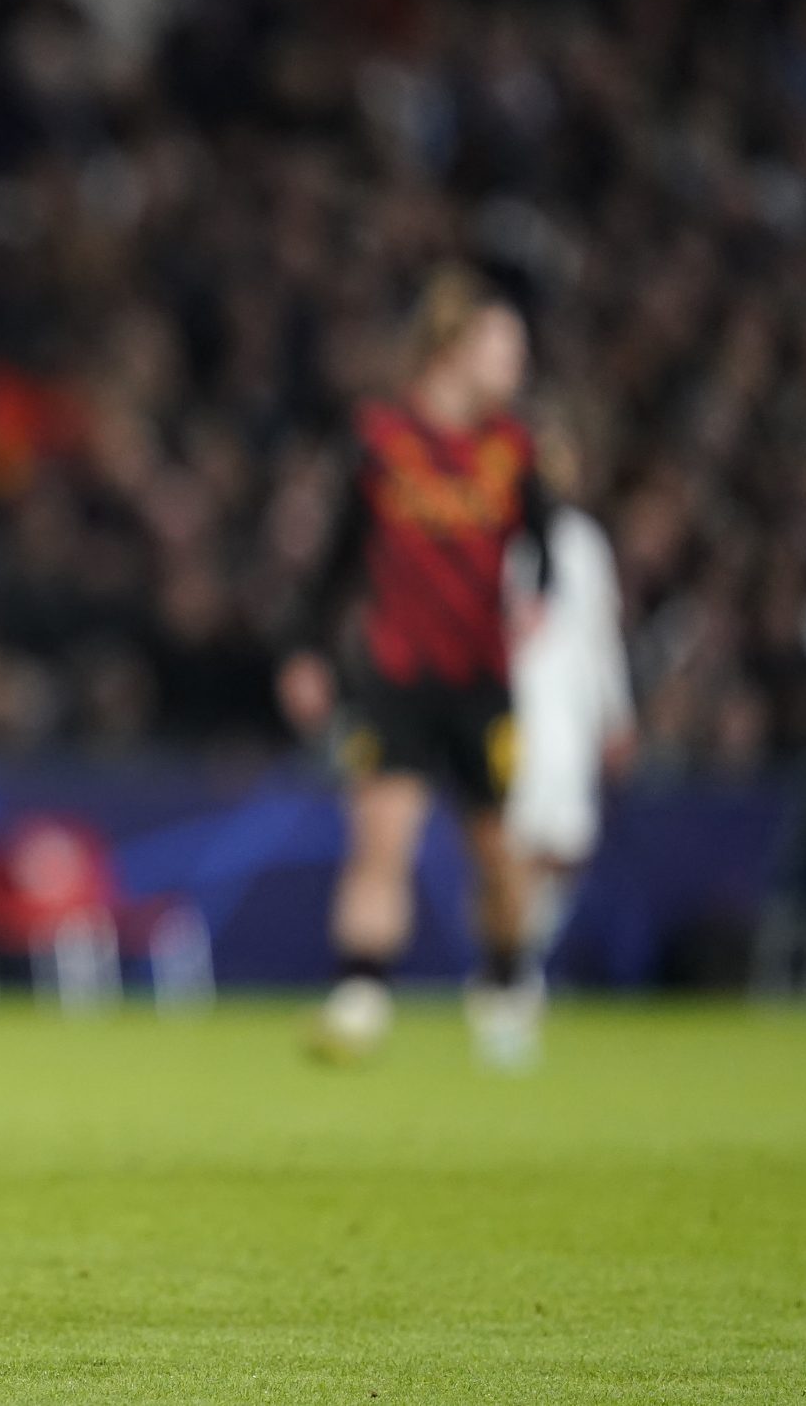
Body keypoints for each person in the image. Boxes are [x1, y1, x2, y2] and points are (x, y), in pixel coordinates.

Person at [278, 270, 553, 1069]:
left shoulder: (512, 450)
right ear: (455, 348)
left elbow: (548, 542)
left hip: (481, 677)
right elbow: (337, 557)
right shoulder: (382, 442)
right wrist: (307, 650)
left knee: (498, 855)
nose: (517, 365)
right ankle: (360, 994)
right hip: (396, 672)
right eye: (506, 347)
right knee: (380, 841)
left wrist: (539, 597)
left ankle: (503, 984)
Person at [504, 424, 638, 977]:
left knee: (567, 847)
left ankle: (519, 954)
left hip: (574, 714)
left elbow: (603, 634)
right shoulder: (506, 541)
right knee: (521, 841)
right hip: (521, 710)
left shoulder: (585, 541)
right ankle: (508, 968)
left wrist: (618, 715)